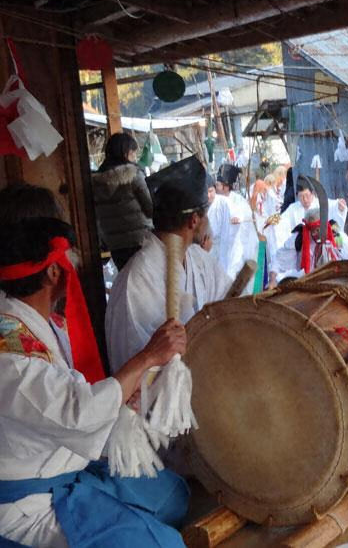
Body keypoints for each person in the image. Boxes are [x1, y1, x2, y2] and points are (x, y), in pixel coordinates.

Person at [0, 201, 189, 547]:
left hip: (65, 463)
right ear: (53, 272)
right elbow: (79, 411)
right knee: (164, 544)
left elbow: (68, 399)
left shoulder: (40, 323)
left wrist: (123, 394)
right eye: (69, 259)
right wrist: (147, 357)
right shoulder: (10, 354)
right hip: (29, 502)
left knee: (173, 497)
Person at [106, 156, 230, 372]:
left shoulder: (198, 258)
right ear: (194, 220)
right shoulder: (136, 280)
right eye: (206, 214)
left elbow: (228, 300)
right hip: (162, 390)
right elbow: (134, 365)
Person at [92, 132, 154, 270]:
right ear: (125, 153)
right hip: (141, 241)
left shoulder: (96, 182)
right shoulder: (133, 175)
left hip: (116, 245)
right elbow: (150, 208)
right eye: (133, 153)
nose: (135, 158)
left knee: (127, 279)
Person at [207, 163, 259, 289]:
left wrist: (237, 221)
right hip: (216, 249)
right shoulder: (214, 202)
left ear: (226, 187)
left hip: (236, 249)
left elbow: (245, 222)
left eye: (218, 185)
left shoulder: (239, 201)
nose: (216, 187)